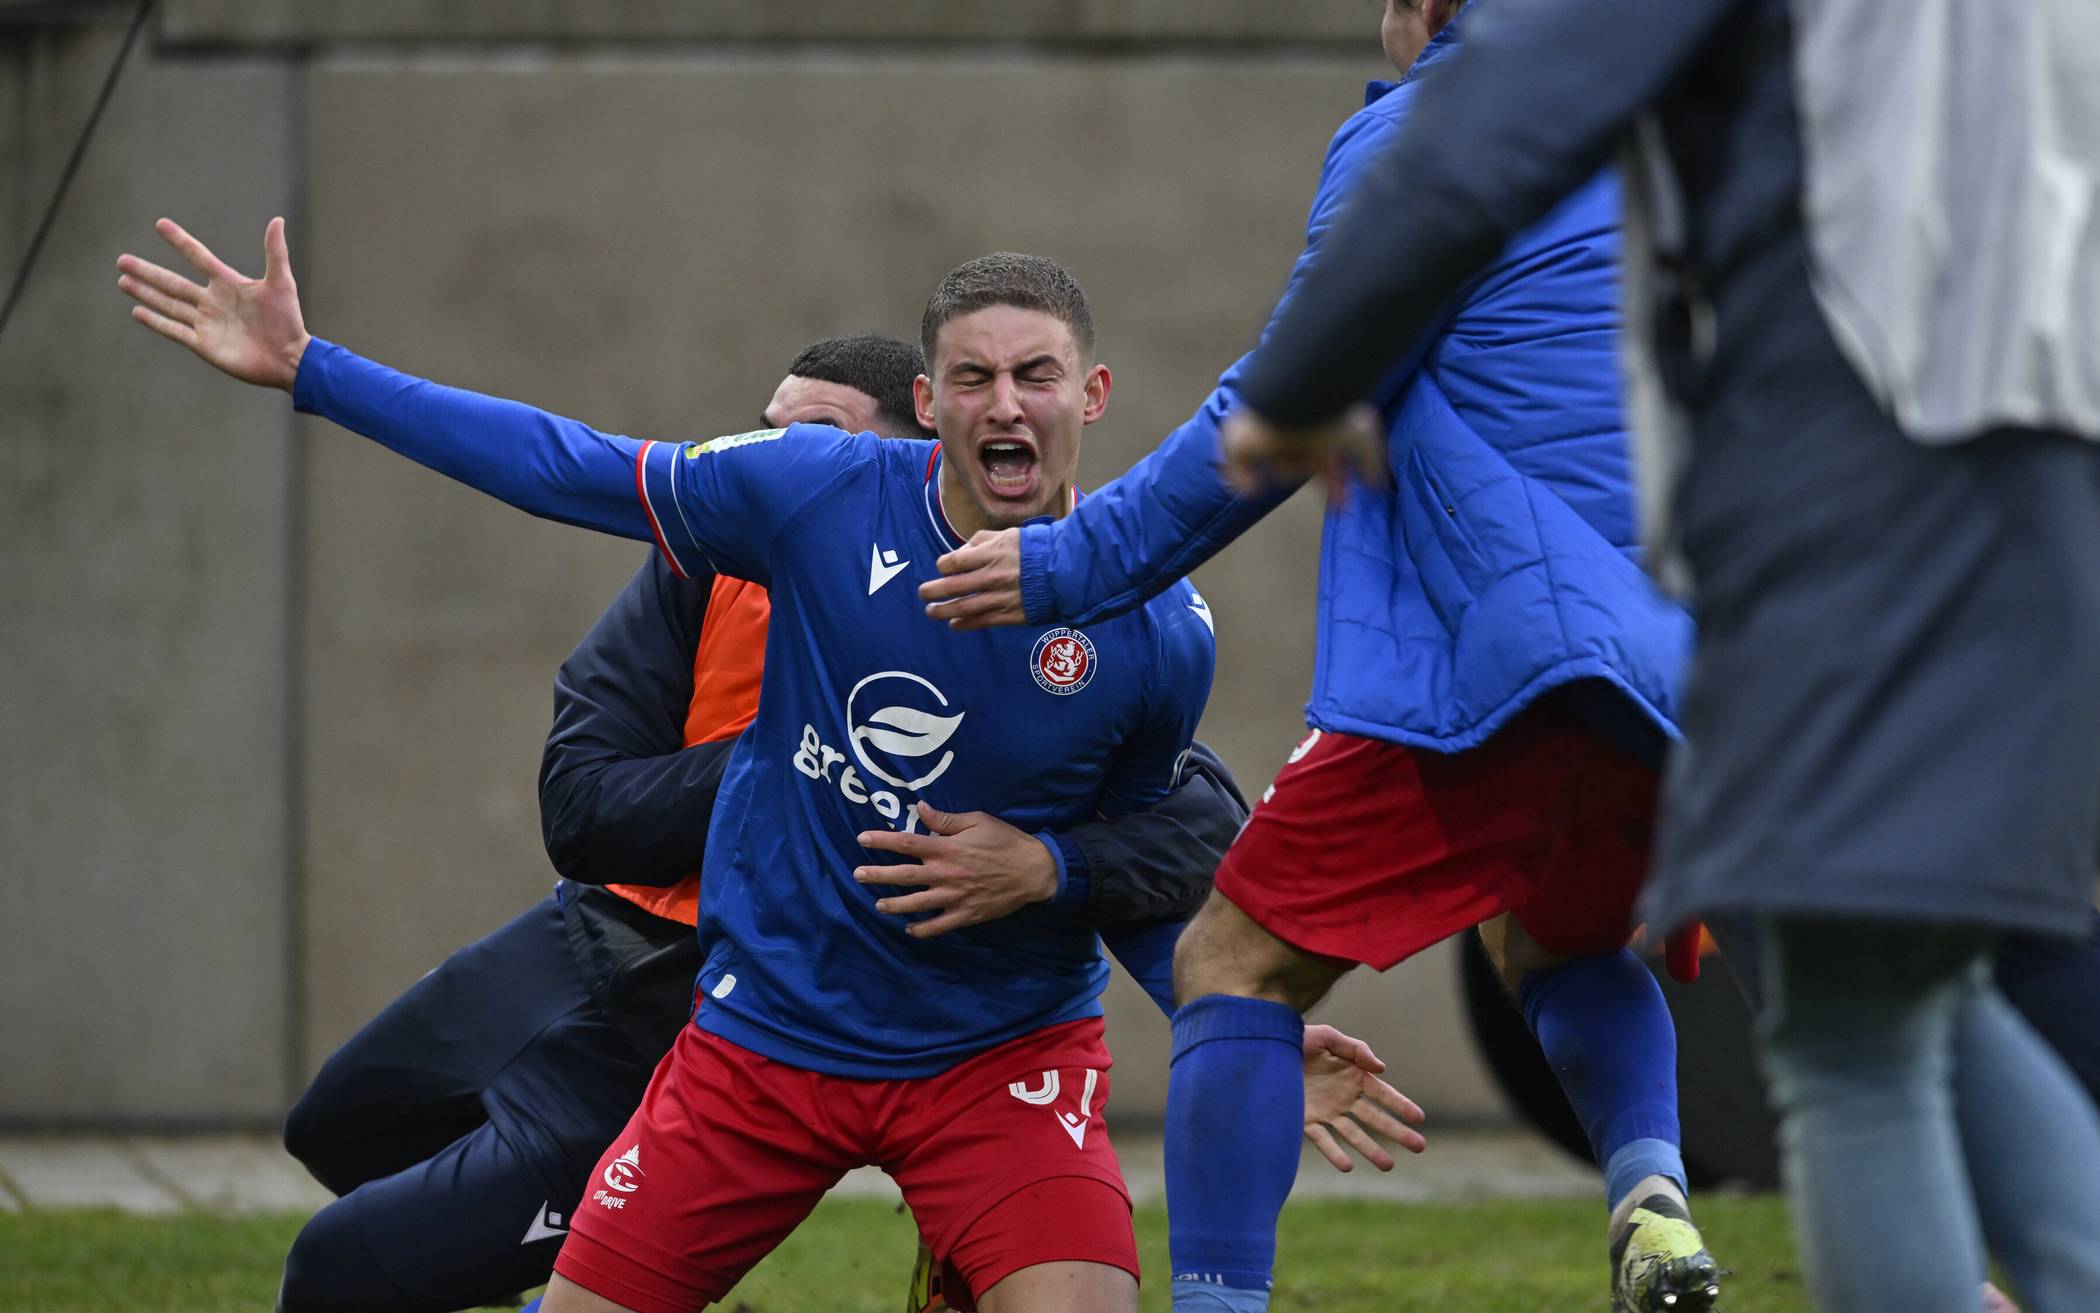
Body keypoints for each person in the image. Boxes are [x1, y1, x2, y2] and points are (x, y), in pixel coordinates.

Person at [115, 230, 1422, 1313]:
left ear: (1092, 397)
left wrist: (1229, 1018)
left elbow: (1144, 865)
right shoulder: (813, 495)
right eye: (973, 377)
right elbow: (563, 463)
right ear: (929, 402)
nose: (1005, 404)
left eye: (1036, 375)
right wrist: (309, 368)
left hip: (999, 1061)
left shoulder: (1156, 629)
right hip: (761, 1043)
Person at [1155, 2, 2100, 1312]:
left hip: (1850, 540)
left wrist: (1305, 380)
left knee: (1855, 1036)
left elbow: (1480, 139)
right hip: (2041, 511)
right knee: (1950, 983)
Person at [919, 4, 1716, 1310]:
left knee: (1233, 962)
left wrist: (1072, 565)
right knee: (1565, 943)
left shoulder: (1431, 134)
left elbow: (1280, 398)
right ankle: (1655, 1197)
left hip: (1497, 661)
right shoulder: (1663, 133)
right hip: (1684, 660)